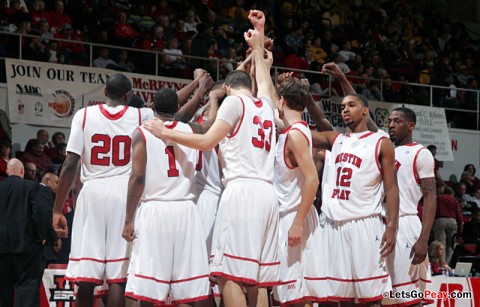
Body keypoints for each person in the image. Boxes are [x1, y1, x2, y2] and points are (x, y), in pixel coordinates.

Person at [144, 12, 279, 307]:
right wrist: (259, 35)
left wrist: (167, 132)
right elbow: (266, 80)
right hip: (269, 194)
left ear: (228, 88)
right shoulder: (268, 105)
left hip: (242, 192)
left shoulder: (233, 101)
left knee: (227, 274)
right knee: (257, 279)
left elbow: (206, 141)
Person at [52, 73, 154, 307]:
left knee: (87, 274)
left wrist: (58, 209)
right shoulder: (141, 114)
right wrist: (198, 87)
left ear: (105, 92)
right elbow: (170, 108)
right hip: (124, 192)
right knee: (118, 275)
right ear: (129, 95)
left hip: (93, 191)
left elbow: (69, 164)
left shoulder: (84, 115)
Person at [122, 87, 219, 305]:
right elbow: (210, 124)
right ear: (177, 108)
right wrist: (213, 99)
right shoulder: (191, 129)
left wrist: (128, 219)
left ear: (153, 107)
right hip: (186, 211)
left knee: (150, 286)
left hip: (155, 210)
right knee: (192, 285)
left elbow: (137, 177)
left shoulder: (142, 131)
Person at [307, 93, 399, 304]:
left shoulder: (381, 142)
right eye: (342, 107)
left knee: (371, 297)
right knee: (336, 297)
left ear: (365, 110)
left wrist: (392, 227)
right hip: (333, 225)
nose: (345, 109)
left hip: (365, 224)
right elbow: (300, 131)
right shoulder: (335, 139)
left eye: (351, 105)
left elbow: (392, 188)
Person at [273, 77, 319, 306]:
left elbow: (312, 180)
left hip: (294, 216)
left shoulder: (295, 135)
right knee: (297, 294)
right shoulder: (293, 129)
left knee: (294, 297)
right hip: (292, 214)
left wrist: (298, 222)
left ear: (282, 101)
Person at [383, 107, 436, 306]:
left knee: (408, 296)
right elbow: (365, 116)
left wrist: (423, 239)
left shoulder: (421, 154)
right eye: (389, 121)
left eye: (397, 121)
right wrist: (343, 78)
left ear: (411, 125)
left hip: (405, 224)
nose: (391, 125)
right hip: (380, 224)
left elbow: (431, 198)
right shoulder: (385, 149)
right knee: (384, 295)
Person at [0, 159, 48, 307]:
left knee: (2, 289)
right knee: (26, 287)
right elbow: (39, 214)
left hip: (1, 248)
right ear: (22, 172)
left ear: (8, 172)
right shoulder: (32, 187)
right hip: (26, 246)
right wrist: (41, 236)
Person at [434, 182, 463, 265]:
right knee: (451, 244)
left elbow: (432, 210)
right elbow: (459, 215)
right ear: (452, 194)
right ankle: (447, 263)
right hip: (452, 221)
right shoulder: (454, 200)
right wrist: (460, 230)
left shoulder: (438, 198)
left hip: (440, 220)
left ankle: (441, 264)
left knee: (440, 244)